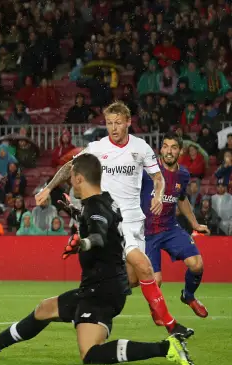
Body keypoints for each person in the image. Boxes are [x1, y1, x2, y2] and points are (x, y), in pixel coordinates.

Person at [0, 154, 194, 365]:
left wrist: (81, 244)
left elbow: (99, 236)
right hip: (101, 286)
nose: (70, 182)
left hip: (102, 292)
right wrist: (74, 212)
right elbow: (101, 223)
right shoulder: (105, 200)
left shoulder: (95, 208)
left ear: (79, 178)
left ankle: (167, 347)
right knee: (45, 309)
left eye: (72, 177)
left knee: (91, 354)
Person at [36, 101, 192, 338]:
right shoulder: (98, 147)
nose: (113, 128)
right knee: (146, 268)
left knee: (128, 281)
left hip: (133, 221)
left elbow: (158, 178)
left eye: (118, 123)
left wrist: (158, 195)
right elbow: (71, 165)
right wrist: (48, 188)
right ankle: (171, 326)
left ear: (128, 122)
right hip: (111, 220)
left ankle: (83, 304)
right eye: (109, 123)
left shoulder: (141, 148)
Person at [141, 134, 210, 319]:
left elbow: (181, 199)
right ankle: (155, 307)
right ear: (160, 149)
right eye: (165, 146)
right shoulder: (147, 171)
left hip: (170, 228)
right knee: (156, 281)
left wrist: (195, 224)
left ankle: (188, 296)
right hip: (148, 233)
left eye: (173, 147)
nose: (169, 151)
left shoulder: (184, 174)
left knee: (197, 265)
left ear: (180, 151)